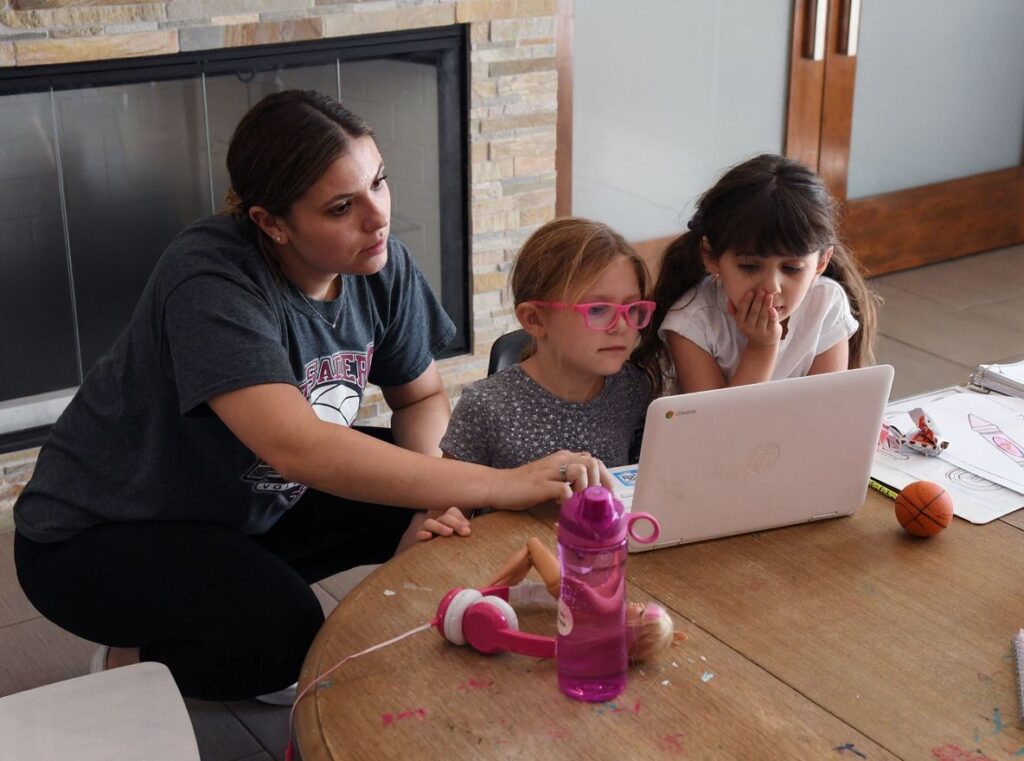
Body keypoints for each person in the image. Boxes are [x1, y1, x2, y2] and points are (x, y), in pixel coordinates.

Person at [12, 90, 605, 704]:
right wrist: (496, 482)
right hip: (101, 534)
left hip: (244, 500)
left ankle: (256, 596)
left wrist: (435, 503)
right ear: (272, 223)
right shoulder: (209, 276)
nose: (377, 218)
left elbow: (419, 397)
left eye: (379, 183)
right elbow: (298, 448)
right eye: (342, 206)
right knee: (284, 639)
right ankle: (129, 661)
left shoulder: (379, 262)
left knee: (447, 503)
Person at [633, 154, 878, 395]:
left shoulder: (825, 302)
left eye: (792, 268)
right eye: (750, 266)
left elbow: (827, 407)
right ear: (711, 258)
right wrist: (761, 348)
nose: (772, 287)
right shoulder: (691, 324)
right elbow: (721, 421)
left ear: (821, 262)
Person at [440, 217, 658, 470]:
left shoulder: (633, 389)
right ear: (534, 319)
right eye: (598, 309)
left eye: (632, 308)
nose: (621, 326)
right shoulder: (484, 408)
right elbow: (448, 494)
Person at [486, 537, 678, 661]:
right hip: (567, 592)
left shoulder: (610, 611)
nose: (640, 605)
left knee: (532, 544)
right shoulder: (607, 633)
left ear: (632, 629)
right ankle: (504, 585)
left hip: (563, 586)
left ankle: (490, 586)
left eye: (642, 612)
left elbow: (589, 593)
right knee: (530, 556)